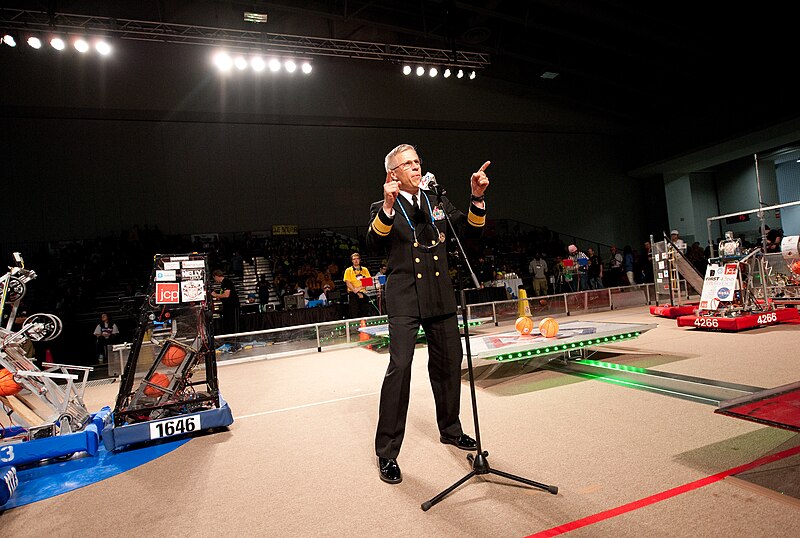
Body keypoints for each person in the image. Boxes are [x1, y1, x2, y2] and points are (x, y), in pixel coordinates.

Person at [365, 143, 489, 485]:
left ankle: (450, 429)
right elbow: (373, 245)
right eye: (407, 164)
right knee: (400, 366)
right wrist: (388, 208)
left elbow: (471, 237)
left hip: (439, 294)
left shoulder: (436, 200)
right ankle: (386, 452)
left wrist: (476, 198)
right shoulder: (382, 207)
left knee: (450, 361)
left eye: (417, 161)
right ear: (393, 174)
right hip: (404, 296)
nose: (416, 167)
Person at [343, 252, 373, 318]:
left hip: (363, 292)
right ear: (352, 261)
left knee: (365, 312)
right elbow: (348, 283)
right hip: (353, 293)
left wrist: (359, 289)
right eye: (354, 259)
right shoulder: (348, 270)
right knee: (354, 312)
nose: (356, 260)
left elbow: (368, 282)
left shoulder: (365, 270)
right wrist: (356, 291)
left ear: (360, 260)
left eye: (357, 259)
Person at [211, 269, 240, 334]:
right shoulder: (223, 284)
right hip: (227, 306)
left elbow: (226, 295)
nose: (215, 280)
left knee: (233, 323)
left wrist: (216, 295)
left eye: (214, 278)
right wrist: (219, 297)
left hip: (232, 306)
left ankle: (235, 336)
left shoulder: (227, 282)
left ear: (216, 276)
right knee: (227, 323)